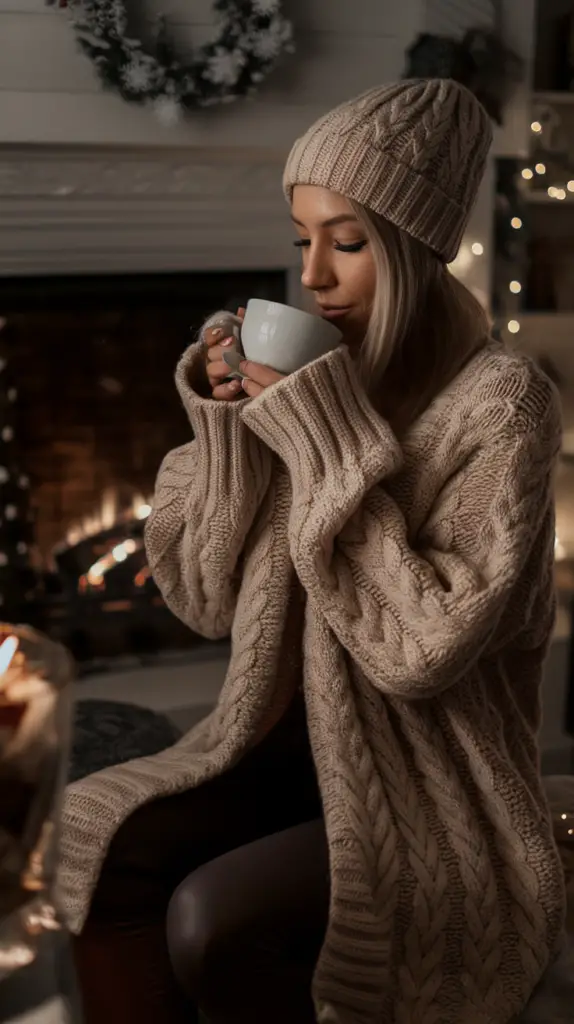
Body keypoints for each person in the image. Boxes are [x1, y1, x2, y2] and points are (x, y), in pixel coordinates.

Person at [60, 78, 566, 1024]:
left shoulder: (504, 404)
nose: (315, 277)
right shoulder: (316, 382)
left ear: (418, 249)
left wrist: (322, 435)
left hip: (434, 788)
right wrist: (227, 435)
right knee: (92, 844)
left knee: (208, 921)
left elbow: (422, 654)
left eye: (350, 241)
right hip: (276, 741)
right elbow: (207, 603)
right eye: (304, 241)